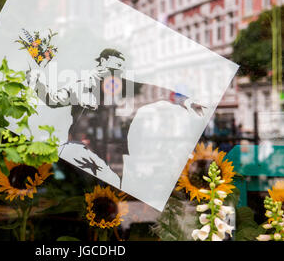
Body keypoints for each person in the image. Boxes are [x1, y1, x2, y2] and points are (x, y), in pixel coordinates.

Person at [27, 48, 206, 188]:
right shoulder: (80, 85)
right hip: (81, 151)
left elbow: (158, 91)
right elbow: (53, 99)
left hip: (113, 155)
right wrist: (36, 84)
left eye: (120, 70)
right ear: (102, 62)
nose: (117, 74)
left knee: (111, 198)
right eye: (114, 68)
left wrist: (185, 101)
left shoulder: (127, 87)